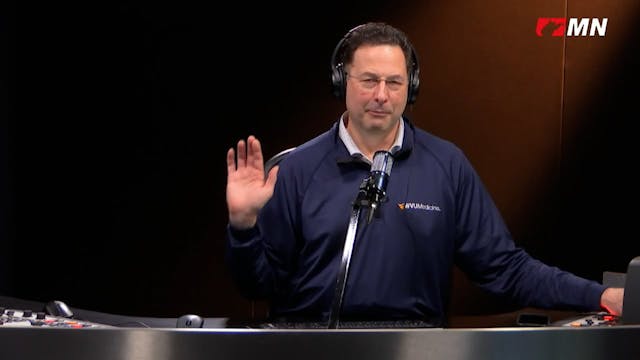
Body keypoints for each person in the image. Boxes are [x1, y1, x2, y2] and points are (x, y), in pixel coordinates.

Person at [224, 22, 624, 327]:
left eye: (394, 82)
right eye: (368, 81)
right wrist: (244, 226)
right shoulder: (296, 169)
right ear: (341, 82)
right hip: (311, 342)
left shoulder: (446, 165)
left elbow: (505, 269)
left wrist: (602, 294)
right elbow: (258, 286)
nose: (381, 95)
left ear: (409, 88)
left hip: (416, 343)